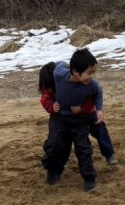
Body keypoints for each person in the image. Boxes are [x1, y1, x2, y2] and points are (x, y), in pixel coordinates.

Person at [40, 48, 101, 190]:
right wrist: (51, 106)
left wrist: (98, 110)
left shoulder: (91, 84)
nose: (92, 76)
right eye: (89, 73)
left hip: (79, 119)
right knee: (55, 144)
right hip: (59, 118)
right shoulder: (59, 74)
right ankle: (53, 169)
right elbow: (58, 66)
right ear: (74, 71)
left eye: (93, 73)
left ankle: (89, 177)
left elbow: (98, 94)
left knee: (83, 148)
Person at [39, 61, 118, 166]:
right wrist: (52, 106)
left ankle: (109, 153)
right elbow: (45, 99)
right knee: (59, 137)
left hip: (87, 113)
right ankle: (51, 151)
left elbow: (92, 97)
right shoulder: (49, 85)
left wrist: (82, 109)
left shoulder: (79, 81)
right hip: (66, 116)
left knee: (100, 129)